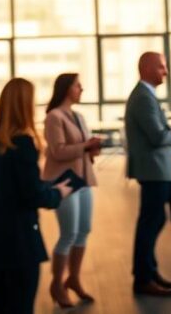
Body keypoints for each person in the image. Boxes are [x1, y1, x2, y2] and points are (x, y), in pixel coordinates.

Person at [0, 78, 73, 314]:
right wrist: (58, 192)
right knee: (19, 303)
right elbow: (32, 196)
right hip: (16, 241)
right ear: (26, 105)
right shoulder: (23, 143)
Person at [43, 73, 103, 307]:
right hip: (64, 182)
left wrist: (91, 148)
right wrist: (86, 145)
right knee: (68, 234)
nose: (82, 88)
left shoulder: (78, 116)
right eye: (78, 85)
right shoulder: (53, 117)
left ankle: (74, 279)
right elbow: (58, 152)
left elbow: (81, 148)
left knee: (83, 231)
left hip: (83, 179)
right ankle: (57, 284)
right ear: (67, 88)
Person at [124, 51, 171, 298]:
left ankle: (149, 271)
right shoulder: (143, 97)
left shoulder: (147, 95)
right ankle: (143, 278)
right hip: (153, 170)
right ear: (146, 68)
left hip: (157, 170)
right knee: (150, 222)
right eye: (161, 67)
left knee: (154, 220)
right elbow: (158, 136)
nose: (165, 72)